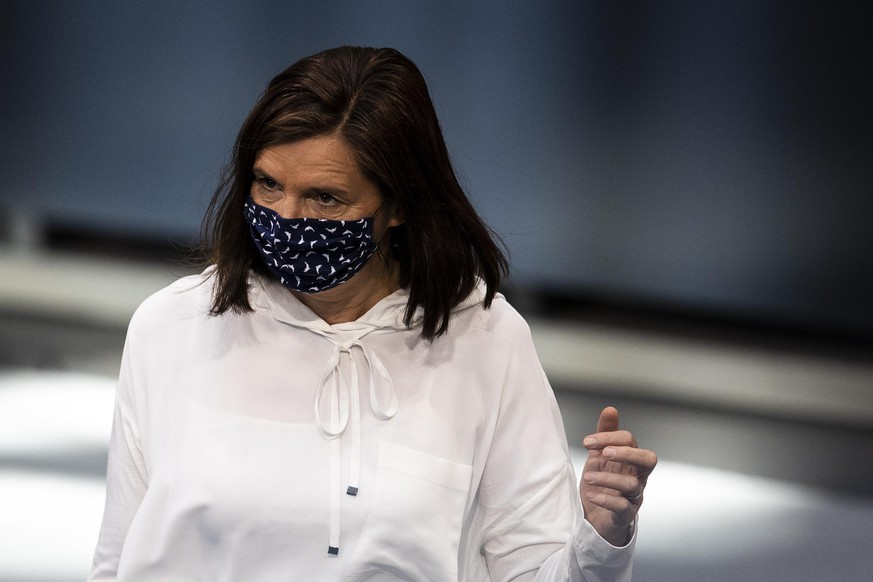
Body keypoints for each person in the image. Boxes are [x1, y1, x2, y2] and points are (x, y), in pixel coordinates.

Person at [88, 46, 657, 581]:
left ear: (400, 205)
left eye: (324, 198)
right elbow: (117, 560)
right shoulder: (171, 327)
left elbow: (532, 567)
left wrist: (600, 537)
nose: (287, 217)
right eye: (267, 184)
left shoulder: (485, 340)